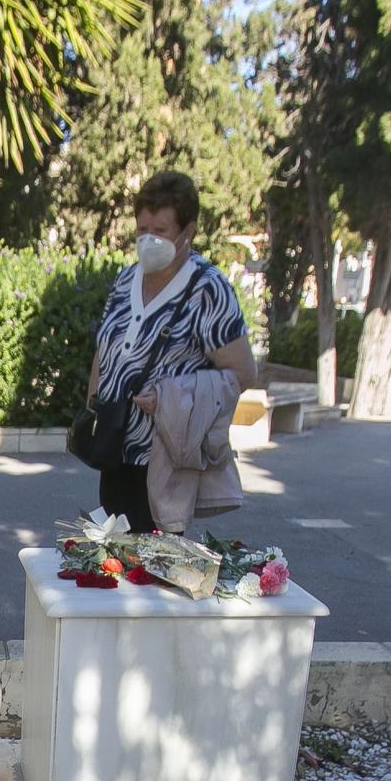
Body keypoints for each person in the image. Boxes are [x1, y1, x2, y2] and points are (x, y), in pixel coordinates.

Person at [84, 171, 260, 534]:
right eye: (141, 229)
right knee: (111, 560)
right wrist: (93, 409)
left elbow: (241, 374)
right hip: (116, 449)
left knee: (153, 569)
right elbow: (105, 349)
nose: (149, 240)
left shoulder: (207, 289)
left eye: (160, 231)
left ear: (187, 232)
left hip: (164, 457)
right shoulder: (125, 279)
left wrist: (171, 395)